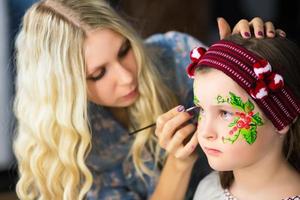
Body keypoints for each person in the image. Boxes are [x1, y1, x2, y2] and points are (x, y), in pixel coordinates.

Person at [13, 0, 281, 199]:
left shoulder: (176, 54)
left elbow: (263, 107)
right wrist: (179, 163)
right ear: (65, 88)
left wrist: (249, 62)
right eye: (98, 74)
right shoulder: (72, 145)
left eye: (125, 50)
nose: (127, 77)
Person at [157, 34, 300, 199]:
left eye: (225, 113)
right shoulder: (207, 190)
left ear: (281, 119)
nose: (205, 132)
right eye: (202, 110)